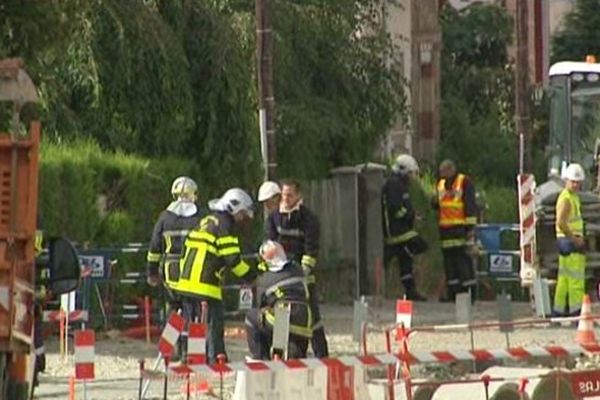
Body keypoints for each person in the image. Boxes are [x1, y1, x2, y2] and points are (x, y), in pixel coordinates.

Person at [175, 188, 257, 363]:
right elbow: (233, 259)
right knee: (214, 325)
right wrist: (253, 277)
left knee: (192, 324)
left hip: (186, 283)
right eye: (243, 214)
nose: (244, 219)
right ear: (234, 209)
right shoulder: (226, 225)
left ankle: (191, 359)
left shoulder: (207, 220)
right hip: (205, 285)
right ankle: (215, 362)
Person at [265, 179, 329, 358]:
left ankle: (322, 357)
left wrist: (301, 273)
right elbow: (269, 245)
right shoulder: (273, 218)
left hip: (303, 279)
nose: (285, 199)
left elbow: (311, 250)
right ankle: (279, 357)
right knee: (280, 315)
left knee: (313, 320)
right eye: (283, 195)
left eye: (289, 195)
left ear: (299, 196)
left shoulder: (308, 219)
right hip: (280, 277)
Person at [145, 177, 204, 316]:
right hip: (193, 271)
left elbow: (155, 248)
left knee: (173, 309)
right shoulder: (200, 217)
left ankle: (172, 336)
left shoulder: (165, 217)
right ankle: (192, 336)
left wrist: (151, 273)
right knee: (194, 310)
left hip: (171, 272)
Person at [245, 240, 312, 360]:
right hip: (305, 320)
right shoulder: (297, 269)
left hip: (282, 320)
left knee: (252, 316)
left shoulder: (265, 279)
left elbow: (260, 304)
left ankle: (259, 359)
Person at [381, 154, 428, 301]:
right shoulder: (394, 184)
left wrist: (413, 216)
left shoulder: (399, 185)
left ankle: (411, 291)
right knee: (421, 245)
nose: (411, 176)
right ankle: (388, 290)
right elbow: (395, 208)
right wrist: (411, 216)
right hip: (397, 232)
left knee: (405, 260)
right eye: (410, 173)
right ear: (403, 171)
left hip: (402, 231)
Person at [432, 159, 478, 303]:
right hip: (446, 231)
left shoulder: (463, 182)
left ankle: (468, 295)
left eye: (444, 172)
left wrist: (470, 228)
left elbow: (470, 205)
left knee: (462, 262)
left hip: (460, 230)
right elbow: (436, 204)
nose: (442, 175)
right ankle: (453, 295)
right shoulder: (440, 185)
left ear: (451, 170)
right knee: (449, 265)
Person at [553, 163, 586, 317]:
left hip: (565, 242)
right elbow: (561, 222)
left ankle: (558, 312)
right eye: (573, 181)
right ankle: (576, 313)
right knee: (576, 280)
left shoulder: (573, 197)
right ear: (566, 180)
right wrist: (575, 239)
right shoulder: (566, 198)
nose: (576, 185)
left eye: (578, 182)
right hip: (571, 243)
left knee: (565, 279)